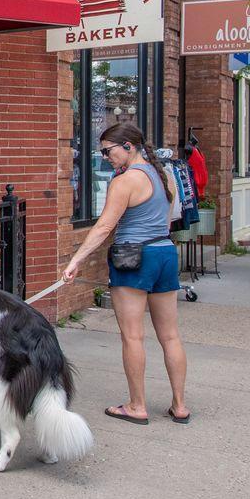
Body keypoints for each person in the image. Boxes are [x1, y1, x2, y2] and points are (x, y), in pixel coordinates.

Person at [61, 122, 190, 426]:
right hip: (164, 253)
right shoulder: (164, 176)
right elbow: (168, 222)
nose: (106, 158)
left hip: (134, 257)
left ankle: (137, 406)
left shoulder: (125, 181)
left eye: (108, 151)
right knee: (170, 336)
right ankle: (180, 405)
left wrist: (76, 260)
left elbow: (104, 226)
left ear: (129, 146)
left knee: (133, 336)